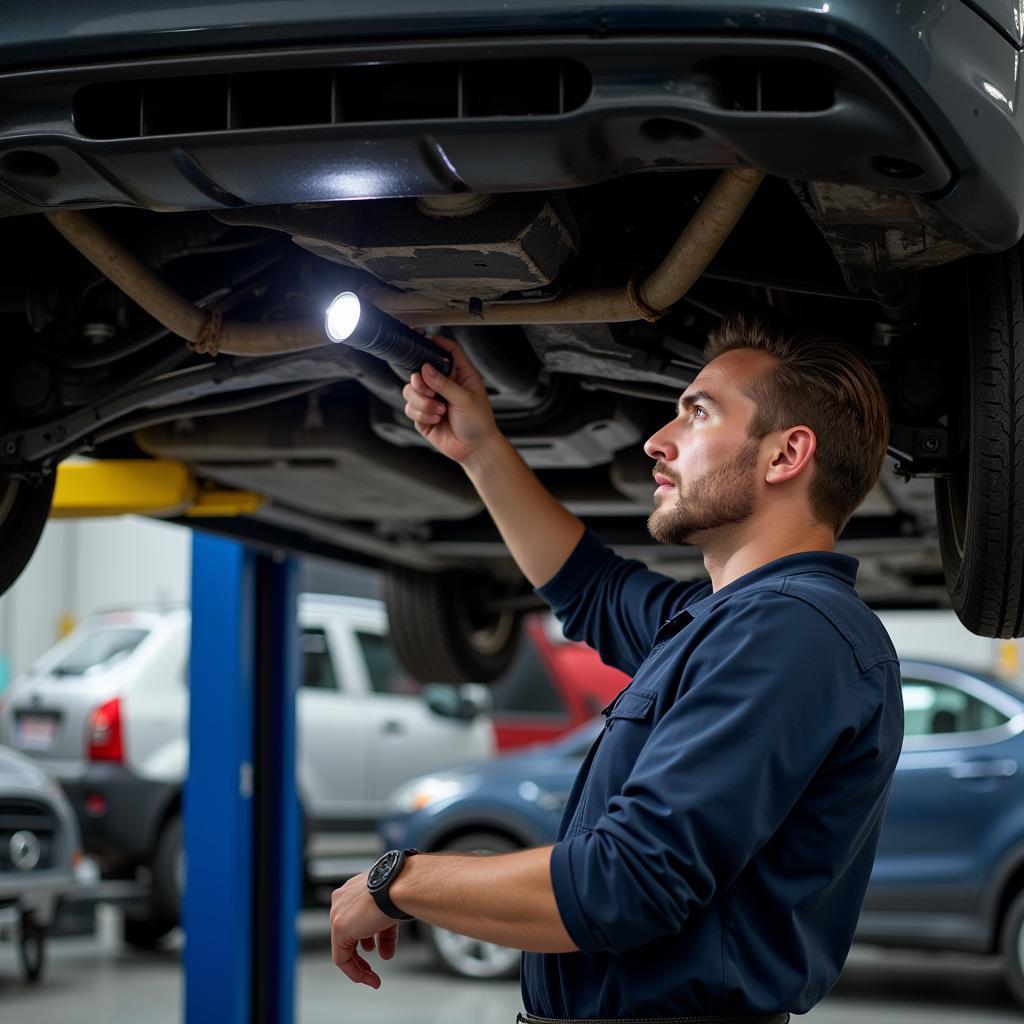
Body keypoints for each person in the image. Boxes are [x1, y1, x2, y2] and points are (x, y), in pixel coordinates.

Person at [329, 312, 905, 1024]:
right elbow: (589, 588)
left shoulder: (790, 630)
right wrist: (478, 447)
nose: (657, 443)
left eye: (697, 414)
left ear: (785, 455)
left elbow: (624, 883)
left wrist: (399, 881)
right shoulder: (729, 621)